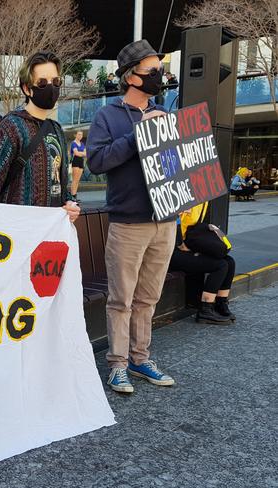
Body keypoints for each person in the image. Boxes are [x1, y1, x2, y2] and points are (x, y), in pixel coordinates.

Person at [87, 39, 176, 394]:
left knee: (148, 298)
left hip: (165, 221)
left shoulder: (166, 114)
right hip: (127, 223)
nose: (159, 76)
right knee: (121, 299)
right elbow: (96, 161)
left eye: (160, 69)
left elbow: (175, 165)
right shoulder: (107, 116)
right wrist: (141, 134)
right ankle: (118, 365)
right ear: (130, 77)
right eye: (151, 71)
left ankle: (141, 358)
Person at [0, 51, 80, 225]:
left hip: (51, 231)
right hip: (18, 232)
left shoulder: (56, 129)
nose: (51, 88)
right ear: (27, 88)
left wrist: (69, 203)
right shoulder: (12, 126)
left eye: (56, 81)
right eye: (42, 83)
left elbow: (59, 182)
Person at [169, 202, 236, 325]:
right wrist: (179, 243)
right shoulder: (183, 190)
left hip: (189, 243)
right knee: (220, 265)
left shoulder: (203, 199)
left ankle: (220, 303)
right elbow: (174, 217)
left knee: (229, 262)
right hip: (172, 249)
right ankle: (206, 309)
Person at [69, 130, 86, 202]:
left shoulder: (82, 144)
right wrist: (81, 153)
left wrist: (81, 153)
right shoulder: (73, 143)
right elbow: (76, 153)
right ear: (75, 135)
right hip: (75, 161)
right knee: (74, 180)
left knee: (78, 180)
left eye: (81, 135)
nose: (80, 136)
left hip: (81, 161)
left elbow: (86, 154)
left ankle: (75, 196)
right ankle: (72, 196)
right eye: (79, 134)